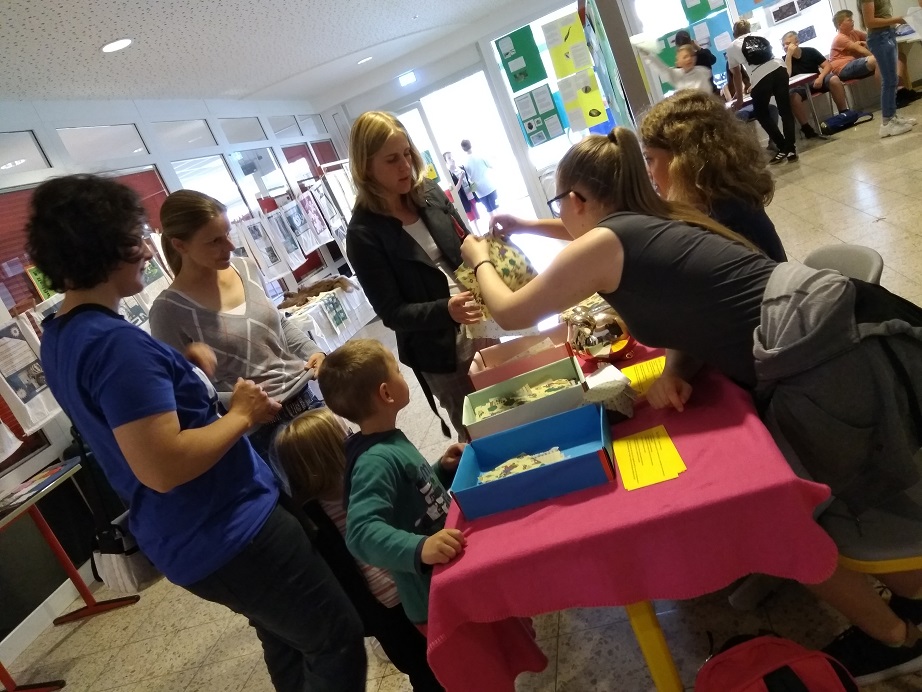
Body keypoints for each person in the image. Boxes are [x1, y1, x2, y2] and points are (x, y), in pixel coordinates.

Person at [464, 127, 922, 685]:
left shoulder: (609, 241)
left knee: (785, 514)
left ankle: (896, 638)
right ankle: (909, 605)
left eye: (560, 203)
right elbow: (697, 308)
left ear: (579, 199)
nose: (561, 216)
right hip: (823, 331)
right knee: (854, 495)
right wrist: (677, 368)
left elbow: (511, 311)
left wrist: (479, 257)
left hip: (827, 357)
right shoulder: (651, 217)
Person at [28, 174, 366, 692]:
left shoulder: (64, 334)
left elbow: (136, 421)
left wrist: (186, 375)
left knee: (287, 640)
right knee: (334, 639)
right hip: (228, 526)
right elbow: (163, 466)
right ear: (102, 247)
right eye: (135, 239)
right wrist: (242, 415)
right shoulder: (117, 345)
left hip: (198, 532)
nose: (148, 251)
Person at [149, 190, 326, 474]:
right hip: (263, 429)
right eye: (214, 241)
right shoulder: (168, 310)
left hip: (307, 397)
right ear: (180, 245)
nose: (230, 246)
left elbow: (277, 323)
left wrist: (312, 351)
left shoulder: (245, 267)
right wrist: (240, 405)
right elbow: (185, 391)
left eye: (228, 233)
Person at [346, 111, 494, 439]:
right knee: (478, 428)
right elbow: (392, 313)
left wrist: (489, 250)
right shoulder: (363, 234)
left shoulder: (429, 193)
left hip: (482, 318)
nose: (405, 166)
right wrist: (445, 309)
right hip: (439, 346)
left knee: (513, 399)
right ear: (366, 167)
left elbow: (465, 244)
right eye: (392, 160)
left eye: (407, 153)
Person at [274, 409, 445, 691]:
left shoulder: (369, 482)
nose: (356, 440)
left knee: (447, 652)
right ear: (329, 456)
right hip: (388, 611)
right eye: (348, 436)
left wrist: (441, 470)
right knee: (422, 669)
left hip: (419, 585)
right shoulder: (312, 519)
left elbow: (414, 496)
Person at [316, 338, 467, 631]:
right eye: (397, 370)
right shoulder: (374, 460)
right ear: (386, 393)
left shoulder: (388, 440)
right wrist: (420, 547)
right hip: (434, 600)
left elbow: (411, 493)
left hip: (447, 579)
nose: (402, 374)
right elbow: (360, 533)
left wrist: (441, 469)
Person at [639, 90, 786, 262]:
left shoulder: (725, 225)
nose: (647, 172)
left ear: (682, 162)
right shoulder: (724, 204)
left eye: (649, 159)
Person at [727, 18, 798, 163]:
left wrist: (739, 99)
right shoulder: (760, 36)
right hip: (780, 68)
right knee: (785, 111)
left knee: (761, 113)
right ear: (749, 30)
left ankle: (783, 146)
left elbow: (737, 75)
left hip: (761, 76)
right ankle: (791, 149)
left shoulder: (732, 46)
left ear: (734, 34)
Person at [830, 9, 920, 109]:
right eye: (849, 20)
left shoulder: (853, 33)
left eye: (852, 19)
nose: (853, 22)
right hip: (843, 68)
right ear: (840, 24)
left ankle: (901, 91)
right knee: (878, 60)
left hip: (856, 64)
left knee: (899, 56)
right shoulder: (840, 38)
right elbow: (862, 51)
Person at [857, 2, 917, 137]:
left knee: (892, 79)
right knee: (889, 80)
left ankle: (892, 116)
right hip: (880, 37)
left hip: (887, 34)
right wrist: (898, 19)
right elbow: (869, 22)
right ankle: (887, 122)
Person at [782, 31, 848, 137]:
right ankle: (806, 128)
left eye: (788, 43)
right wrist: (788, 55)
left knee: (834, 79)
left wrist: (821, 78)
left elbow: (828, 66)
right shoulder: (784, 60)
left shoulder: (810, 51)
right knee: (792, 96)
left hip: (816, 81)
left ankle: (844, 113)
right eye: (783, 45)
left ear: (797, 42)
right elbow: (786, 76)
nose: (785, 47)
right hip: (799, 87)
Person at [638, 44, 715, 95]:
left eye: (692, 56)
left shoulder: (703, 71)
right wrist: (647, 55)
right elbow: (661, 68)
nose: (689, 59)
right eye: (685, 57)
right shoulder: (676, 75)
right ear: (678, 63)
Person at [443, 151, 481, 234]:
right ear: (446, 162)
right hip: (464, 200)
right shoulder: (449, 175)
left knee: (476, 217)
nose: (452, 159)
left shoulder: (461, 168)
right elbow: (455, 191)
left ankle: (479, 234)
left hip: (471, 196)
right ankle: (478, 235)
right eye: (449, 158)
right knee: (472, 220)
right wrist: (460, 178)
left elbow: (469, 181)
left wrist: (473, 186)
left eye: (452, 156)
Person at [460, 139, 499, 218]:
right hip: (489, 185)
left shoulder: (464, 163)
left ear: (463, 149)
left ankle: (494, 225)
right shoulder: (480, 155)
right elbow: (491, 166)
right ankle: (504, 224)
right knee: (496, 209)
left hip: (479, 191)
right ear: (471, 145)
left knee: (489, 210)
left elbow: (469, 178)